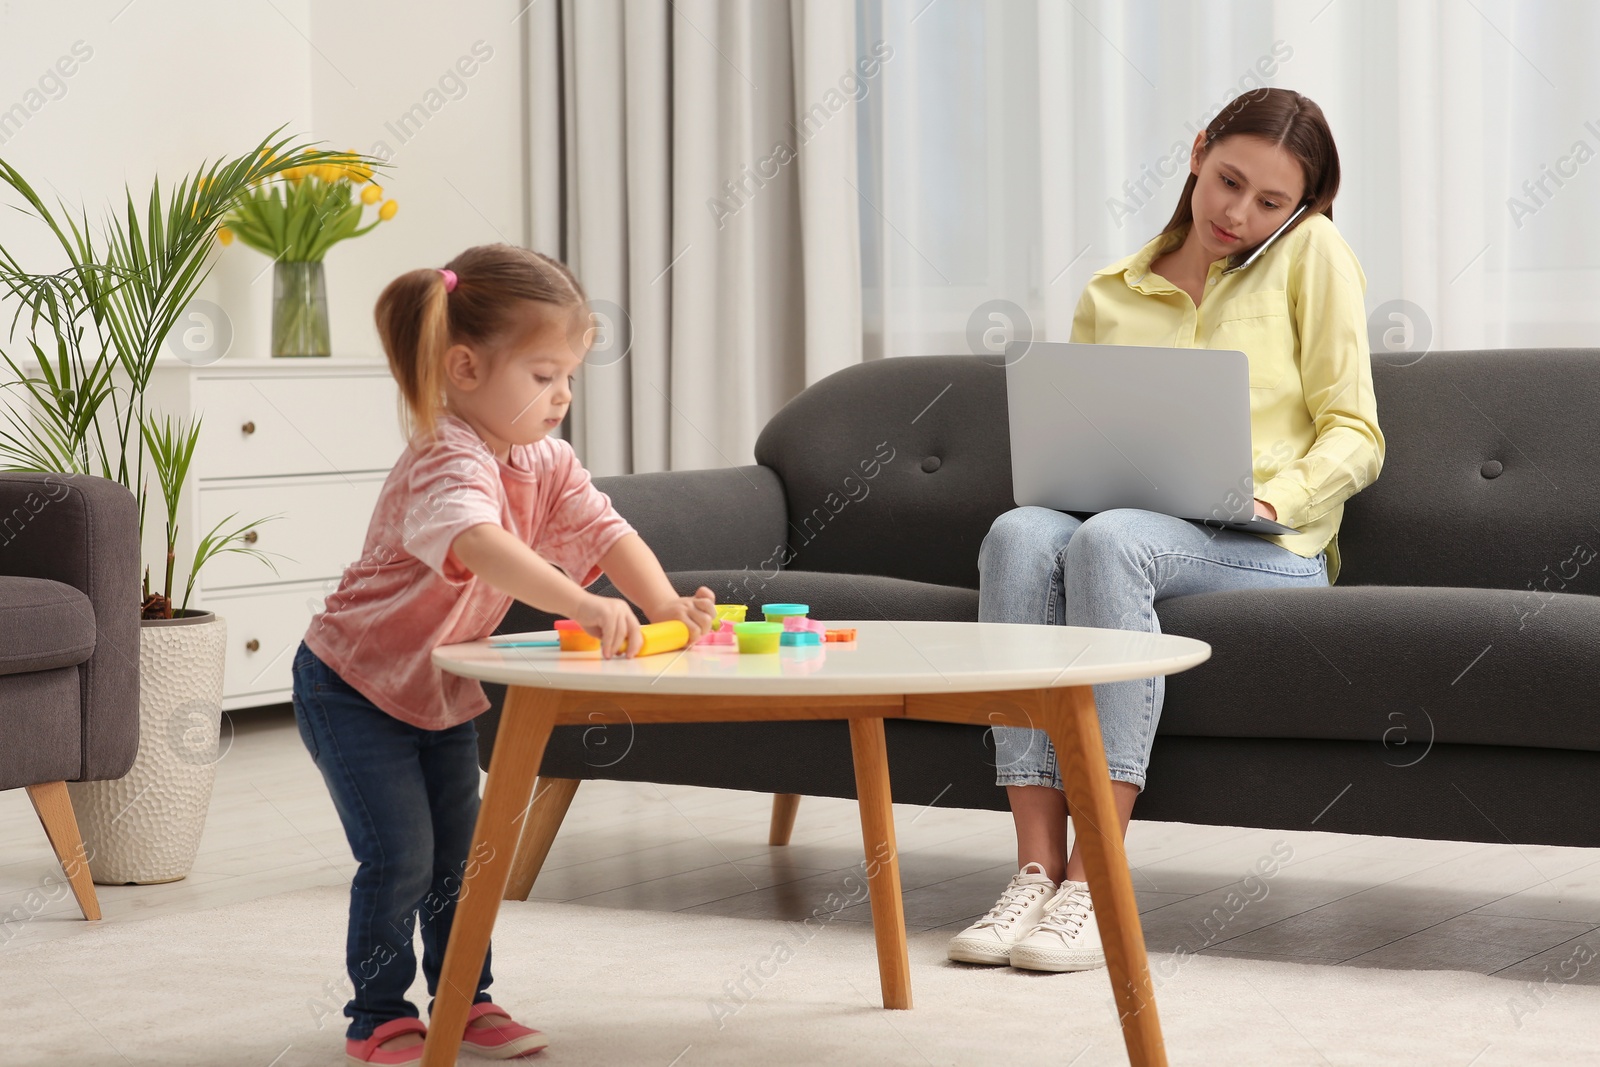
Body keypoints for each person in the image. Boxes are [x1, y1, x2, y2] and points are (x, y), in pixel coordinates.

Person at [947, 88, 1384, 973]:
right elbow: (1069, 450)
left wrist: (1273, 499)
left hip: (1268, 548)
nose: (1238, 213)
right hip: (1130, 523)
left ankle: (1093, 878)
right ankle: (1032, 868)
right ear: (1197, 153)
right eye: (1228, 182)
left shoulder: (1313, 254)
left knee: (1112, 541)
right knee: (1019, 535)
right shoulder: (1111, 294)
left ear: (1300, 207)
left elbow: (1357, 432)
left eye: (1271, 201)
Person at [291, 244, 718, 1063]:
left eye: (568, 379)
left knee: (462, 855)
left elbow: (605, 529)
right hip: (351, 684)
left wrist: (661, 602)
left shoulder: (545, 460)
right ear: (465, 368)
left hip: (441, 689)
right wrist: (585, 602)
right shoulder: (443, 454)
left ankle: (465, 995)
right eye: (543, 375)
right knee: (401, 853)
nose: (561, 397)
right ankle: (378, 1012)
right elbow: (481, 544)